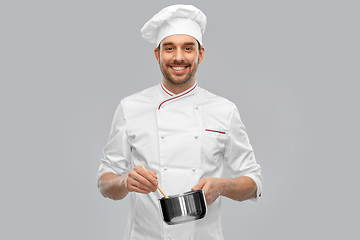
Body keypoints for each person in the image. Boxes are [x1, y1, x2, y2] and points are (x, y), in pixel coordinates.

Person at [97, 4, 262, 240]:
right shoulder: (130, 107)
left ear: (201, 54)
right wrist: (125, 181)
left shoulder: (224, 110)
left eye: (188, 48)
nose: (178, 57)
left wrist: (223, 186)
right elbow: (105, 183)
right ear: (157, 54)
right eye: (169, 48)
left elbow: (253, 183)